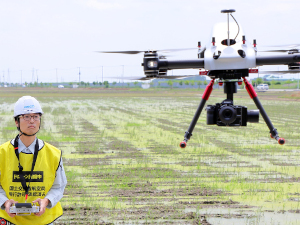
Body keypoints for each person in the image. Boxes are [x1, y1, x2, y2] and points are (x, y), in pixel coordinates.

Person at [0, 96, 67, 225]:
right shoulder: (2, 153)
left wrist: (46, 201)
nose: (32, 121)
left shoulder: (54, 154)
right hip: (9, 220)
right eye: (26, 116)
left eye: (35, 116)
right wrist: (5, 202)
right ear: (16, 121)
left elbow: (59, 187)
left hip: (44, 220)